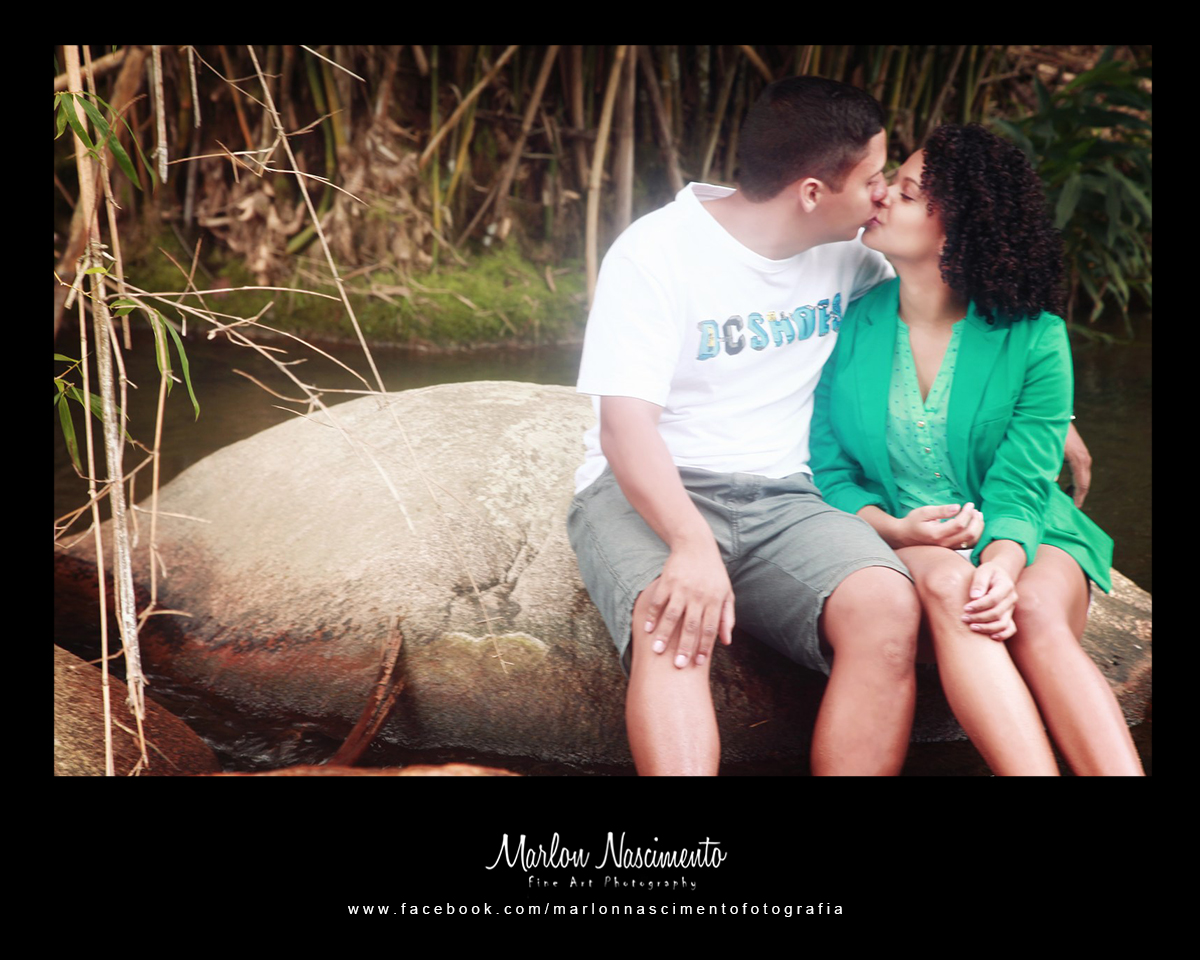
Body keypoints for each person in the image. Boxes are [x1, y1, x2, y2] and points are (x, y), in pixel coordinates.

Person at [567, 76, 921, 776]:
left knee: (886, 608)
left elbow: (945, 315)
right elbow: (626, 430)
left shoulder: (855, 257)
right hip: (651, 493)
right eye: (873, 179)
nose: (883, 196)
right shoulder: (655, 252)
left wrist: (1044, 410)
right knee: (674, 626)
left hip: (787, 499)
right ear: (812, 192)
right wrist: (690, 544)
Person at [809, 123, 1144, 775]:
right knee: (954, 589)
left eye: (906, 193)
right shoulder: (845, 325)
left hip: (1027, 526)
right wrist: (891, 529)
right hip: (906, 532)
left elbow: (1023, 484)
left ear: (955, 230)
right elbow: (831, 470)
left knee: (1034, 610)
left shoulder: (1036, 336)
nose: (880, 196)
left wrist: (1006, 559)